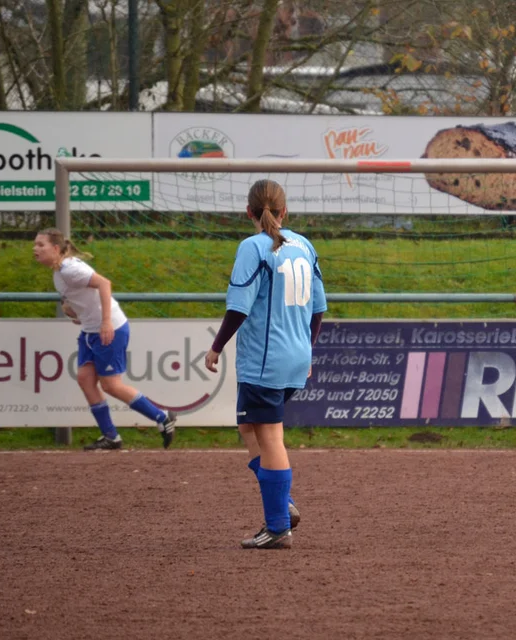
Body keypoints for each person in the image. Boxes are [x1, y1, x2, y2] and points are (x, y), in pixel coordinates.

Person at [205, 179, 326, 550]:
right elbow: (319, 308)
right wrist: (307, 349)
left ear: (248, 213)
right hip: (294, 355)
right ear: (285, 211)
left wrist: (216, 347)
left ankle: (277, 526)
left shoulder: (253, 246)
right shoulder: (303, 245)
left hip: (265, 359)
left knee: (270, 436)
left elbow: (239, 307)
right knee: (248, 428)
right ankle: (282, 504)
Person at [33, 228, 177, 450]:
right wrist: (75, 313)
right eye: (35, 244)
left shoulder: (71, 269)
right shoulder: (58, 273)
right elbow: (77, 301)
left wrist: (106, 321)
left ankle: (162, 417)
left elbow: (104, 284)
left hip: (109, 329)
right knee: (85, 378)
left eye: (40, 245)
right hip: (91, 331)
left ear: (55, 248)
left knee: (110, 384)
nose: (35, 249)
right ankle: (111, 436)